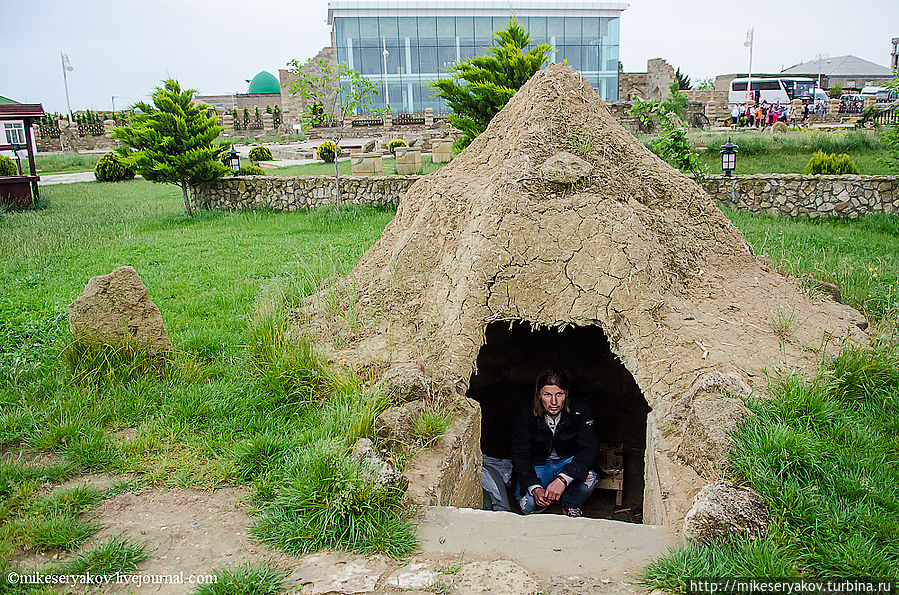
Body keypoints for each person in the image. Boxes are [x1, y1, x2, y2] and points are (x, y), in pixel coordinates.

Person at [511, 368, 598, 518]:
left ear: (566, 394)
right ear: (539, 395)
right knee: (528, 505)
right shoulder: (527, 413)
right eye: (547, 395)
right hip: (539, 465)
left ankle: (570, 503)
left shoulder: (580, 409)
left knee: (589, 478)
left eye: (559, 394)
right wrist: (535, 487)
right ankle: (543, 499)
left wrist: (564, 479)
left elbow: (589, 448)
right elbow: (520, 453)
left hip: (567, 461)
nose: (553, 402)